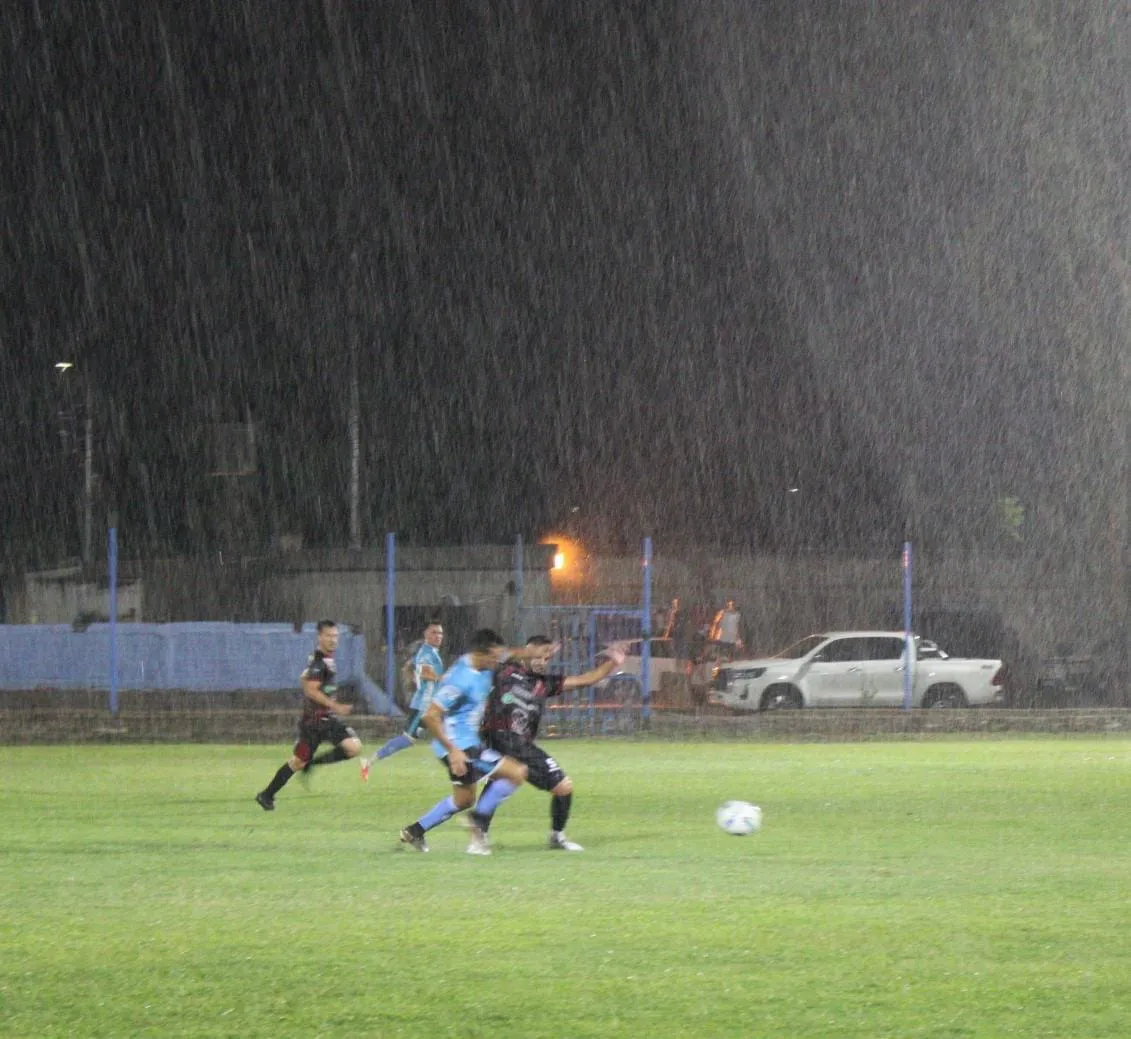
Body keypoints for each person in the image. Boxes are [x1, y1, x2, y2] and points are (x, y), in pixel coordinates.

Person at [466, 635, 629, 854]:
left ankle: (548, 836)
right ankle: (550, 837)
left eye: (547, 658)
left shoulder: (544, 683)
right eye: (539, 655)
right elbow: (491, 655)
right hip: (498, 736)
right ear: (528, 650)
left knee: (553, 787)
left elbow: (588, 679)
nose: (543, 661)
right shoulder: (505, 669)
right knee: (522, 781)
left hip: (520, 743)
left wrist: (614, 659)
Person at [398, 629, 541, 853]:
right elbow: (430, 715)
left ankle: (415, 830)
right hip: (461, 746)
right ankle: (478, 824)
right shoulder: (459, 679)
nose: (498, 661)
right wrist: (453, 751)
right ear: (481, 653)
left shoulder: (481, 662)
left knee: (463, 800)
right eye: (494, 656)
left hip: (465, 743)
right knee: (517, 773)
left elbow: (506, 654)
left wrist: (531, 651)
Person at [256, 620, 361, 810]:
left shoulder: (324, 659)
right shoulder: (320, 662)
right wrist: (335, 705)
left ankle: (311, 765)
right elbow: (311, 690)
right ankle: (266, 794)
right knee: (298, 761)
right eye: (328, 636)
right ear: (319, 636)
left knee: (353, 748)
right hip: (314, 722)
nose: (333, 640)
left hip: (326, 720)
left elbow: (306, 679)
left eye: (335, 636)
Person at [361, 620, 444, 778]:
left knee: (451, 732)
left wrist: (410, 677)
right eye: (434, 632)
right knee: (407, 739)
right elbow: (425, 673)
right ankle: (369, 761)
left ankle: (469, 768)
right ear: (425, 634)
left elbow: (409, 667)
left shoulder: (429, 652)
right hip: (424, 706)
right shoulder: (427, 652)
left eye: (440, 633)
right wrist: (444, 678)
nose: (438, 636)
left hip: (434, 704)